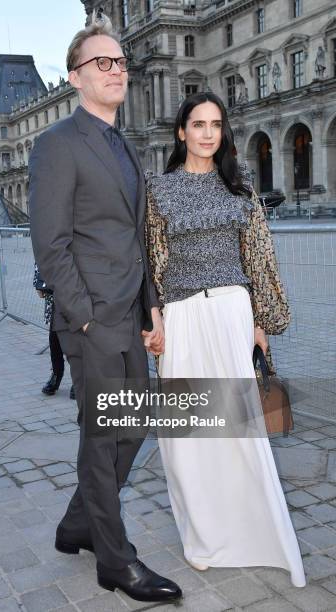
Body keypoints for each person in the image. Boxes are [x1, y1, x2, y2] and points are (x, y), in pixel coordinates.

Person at [29, 12, 182, 604]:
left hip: (129, 315)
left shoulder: (121, 142)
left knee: (133, 427)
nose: (116, 69)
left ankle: (76, 526)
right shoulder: (57, 145)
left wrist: (152, 311)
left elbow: (135, 238)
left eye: (119, 61)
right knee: (103, 437)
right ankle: (116, 562)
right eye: (102, 62)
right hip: (92, 320)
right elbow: (51, 244)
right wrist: (87, 316)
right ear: (75, 77)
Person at [145, 92, 306, 588]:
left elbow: (259, 258)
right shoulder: (158, 190)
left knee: (240, 434)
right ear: (181, 132)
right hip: (183, 318)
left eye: (216, 124)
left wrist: (260, 321)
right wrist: (155, 321)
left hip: (232, 314)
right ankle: (204, 538)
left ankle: (256, 534)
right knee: (187, 439)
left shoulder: (240, 190)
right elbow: (149, 263)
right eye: (198, 124)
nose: (208, 133)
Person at [33, 263, 75, 399]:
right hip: (54, 296)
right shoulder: (46, 241)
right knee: (54, 339)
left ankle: (78, 378)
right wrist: (37, 282)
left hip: (75, 295)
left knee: (75, 340)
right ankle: (56, 375)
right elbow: (40, 257)